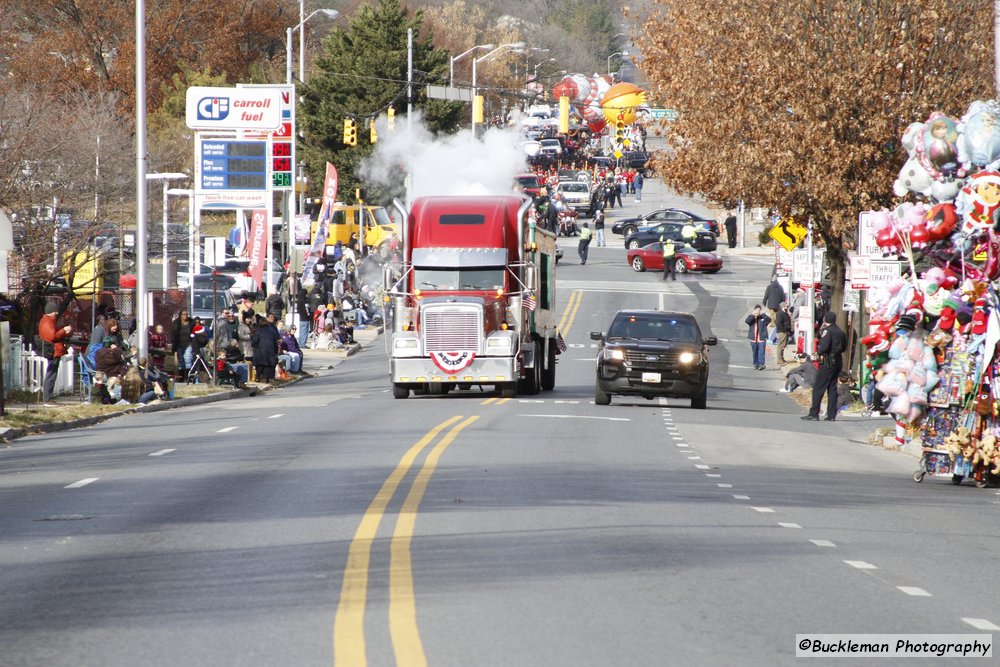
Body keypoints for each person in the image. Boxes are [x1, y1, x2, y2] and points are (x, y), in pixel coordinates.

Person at [802, 311, 848, 421]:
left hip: (828, 361)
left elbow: (824, 347)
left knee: (818, 387)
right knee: (832, 388)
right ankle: (831, 414)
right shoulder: (840, 332)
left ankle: (814, 413)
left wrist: (818, 352)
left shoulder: (828, 331)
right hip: (838, 361)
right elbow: (844, 347)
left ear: (825, 320)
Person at [37, 302, 73, 405]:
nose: (56, 313)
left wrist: (65, 332)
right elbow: (52, 336)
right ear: (50, 312)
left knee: (52, 374)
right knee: (51, 374)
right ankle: (47, 399)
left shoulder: (50, 321)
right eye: (54, 311)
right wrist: (63, 330)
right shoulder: (47, 322)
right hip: (52, 350)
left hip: (54, 350)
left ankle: (49, 397)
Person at [251, 313, 281, 383]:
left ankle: (258, 377)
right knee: (268, 365)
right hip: (270, 351)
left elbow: (254, 341)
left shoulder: (259, 330)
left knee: (260, 365)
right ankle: (266, 378)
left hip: (260, 351)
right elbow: (275, 342)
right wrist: (275, 351)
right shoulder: (272, 330)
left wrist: (255, 345)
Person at [744, 304, 771, 370]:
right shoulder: (751, 317)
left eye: (759, 310)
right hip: (754, 339)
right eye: (756, 310)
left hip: (761, 338)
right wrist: (753, 315)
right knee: (755, 352)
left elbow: (769, 320)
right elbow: (747, 321)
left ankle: (761, 364)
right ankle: (756, 364)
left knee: (761, 352)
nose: (758, 312)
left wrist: (762, 314)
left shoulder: (763, 317)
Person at [171, 310, 193, 381]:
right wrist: (173, 344)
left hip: (188, 344)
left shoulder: (191, 322)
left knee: (188, 359)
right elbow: (174, 334)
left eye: (186, 314)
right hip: (179, 344)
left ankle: (188, 377)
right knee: (181, 361)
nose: (185, 315)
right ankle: (181, 377)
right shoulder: (176, 323)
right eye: (184, 314)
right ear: (180, 315)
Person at [774, 301, 794, 366]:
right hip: (782, 332)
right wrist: (784, 330)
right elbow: (778, 323)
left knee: (783, 345)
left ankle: (782, 359)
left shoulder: (784, 313)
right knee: (781, 346)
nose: (787, 307)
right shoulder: (780, 313)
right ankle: (779, 360)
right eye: (786, 306)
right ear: (783, 306)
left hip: (785, 331)